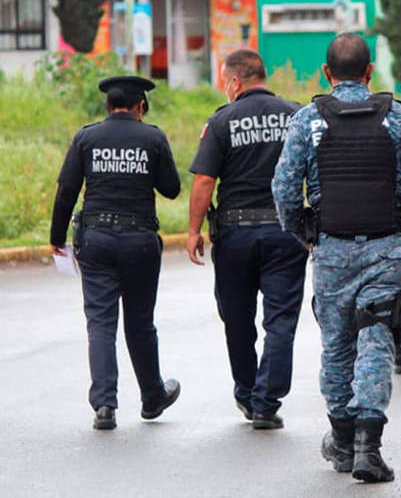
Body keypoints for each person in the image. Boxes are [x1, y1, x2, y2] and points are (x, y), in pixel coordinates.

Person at [272, 34, 401, 483]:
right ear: (370, 73)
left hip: (331, 249)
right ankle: (370, 446)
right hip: (387, 248)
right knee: (376, 339)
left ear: (326, 74)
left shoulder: (308, 121)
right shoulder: (399, 119)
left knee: (337, 344)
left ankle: (344, 440)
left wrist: (304, 232)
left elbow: (285, 190)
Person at [49, 76, 182, 431]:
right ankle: (152, 398)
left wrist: (56, 237)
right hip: (139, 241)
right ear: (141, 107)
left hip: (96, 240)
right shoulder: (152, 138)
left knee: (101, 324)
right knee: (140, 323)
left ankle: (105, 405)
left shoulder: (86, 138)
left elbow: (66, 192)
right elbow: (171, 188)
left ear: (107, 107)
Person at [186, 49, 308, 430]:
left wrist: (192, 231)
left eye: (226, 82)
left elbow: (205, 180)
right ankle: (266, 400)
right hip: (286, 231)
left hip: (235, 234)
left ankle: (246, 392)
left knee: (237, 318)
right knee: (281, 319)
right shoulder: (297, 115)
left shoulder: (222, 120)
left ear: (235, 82)